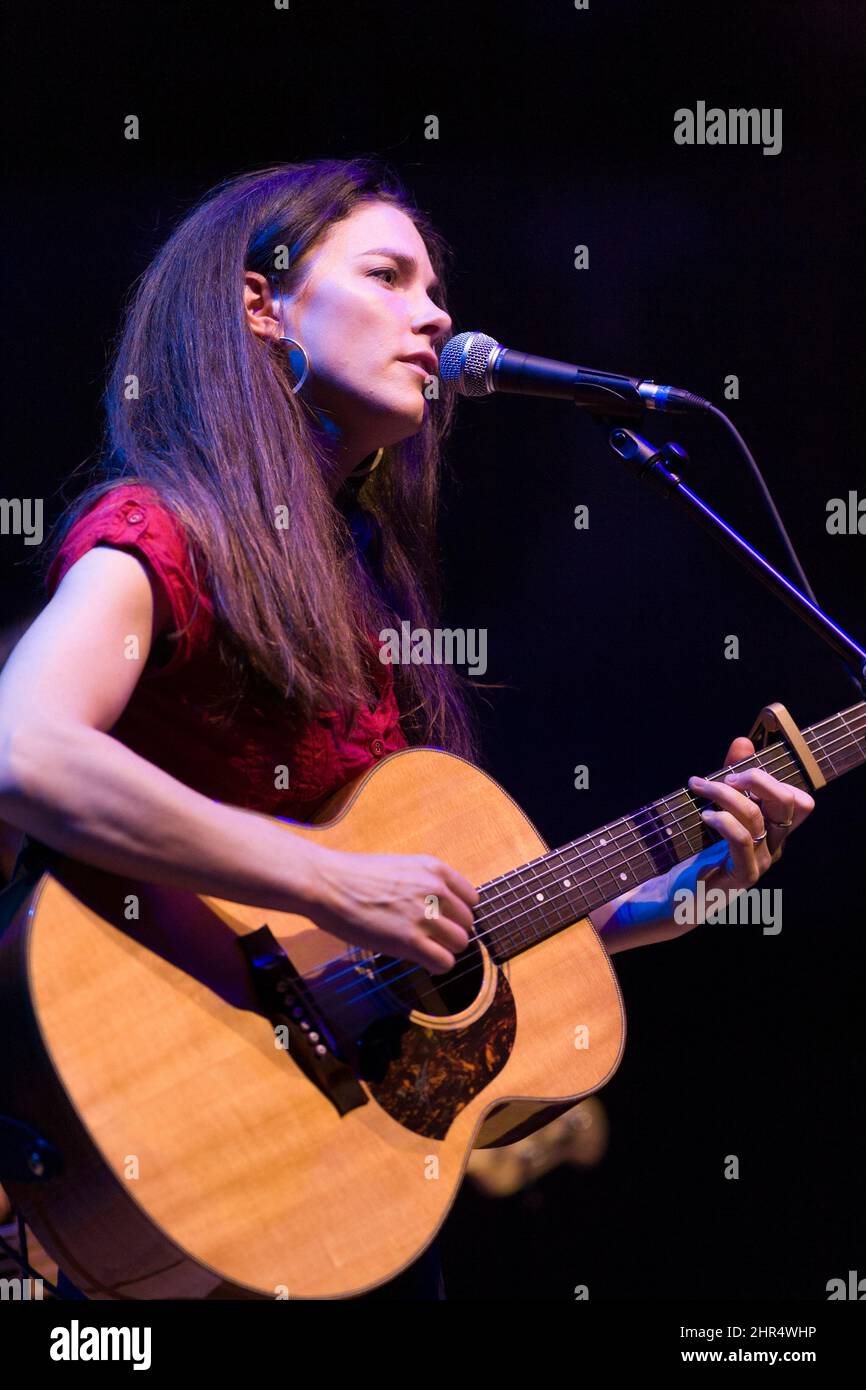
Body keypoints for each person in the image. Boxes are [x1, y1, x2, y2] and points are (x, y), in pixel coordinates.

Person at [0, 159, 815, 1301]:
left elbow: (389, 950)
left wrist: (660, 903)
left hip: (320, 1175)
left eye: (434, 287)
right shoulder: (161, 532)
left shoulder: (361, 580)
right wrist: (329, 883)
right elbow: (21, 749)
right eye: (387, 275)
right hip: (149, 1104)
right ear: (258, 304)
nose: (436, 313)